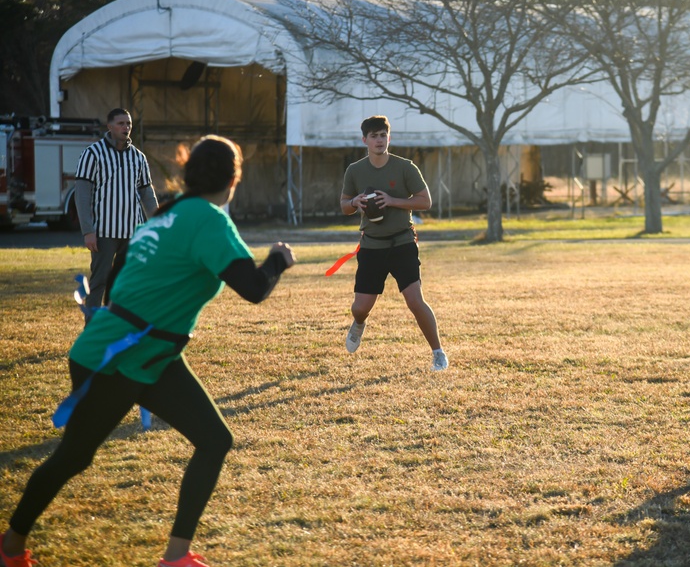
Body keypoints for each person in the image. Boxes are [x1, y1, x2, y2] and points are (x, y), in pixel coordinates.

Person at [1, 136, 296, 567]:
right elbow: (252, 289)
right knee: (75, 455)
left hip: (143, 352)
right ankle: (9, 547)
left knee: (214, 440)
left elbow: (121, 274)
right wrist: (276, 260)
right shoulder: (208, 219)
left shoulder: (167, 211)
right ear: (234, 178)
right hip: (118, 356)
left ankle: (176, 558)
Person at [340, 115, 448, 371]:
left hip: (402, 242)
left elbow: (425, 202)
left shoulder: (405, 167)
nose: (379, 140)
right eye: (374, 136)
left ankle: (438, 352)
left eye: (383, 135)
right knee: (360, 307)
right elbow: (344, 206)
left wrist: (392, 200)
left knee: (415, 300)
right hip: (371, 245)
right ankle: (358, 323)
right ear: (364, 140)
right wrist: (355, 202)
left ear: (390, 137)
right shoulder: (355, 170)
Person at [75, 108, 158, 320]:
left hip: (133, 231)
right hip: (104, 231)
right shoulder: (93, 153)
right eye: (121, 123)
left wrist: (158, 223)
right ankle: (92, 330)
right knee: (100, 280)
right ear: (109, 126)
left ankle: (119, 326)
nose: (126, 127)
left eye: (128, 123)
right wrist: (88, 231)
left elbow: (147, 193)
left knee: (127, 281)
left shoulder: (139, 157)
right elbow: (82, 195)